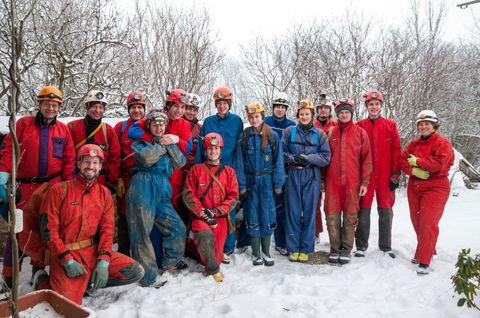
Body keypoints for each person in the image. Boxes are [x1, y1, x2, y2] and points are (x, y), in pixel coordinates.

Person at [39, 144, 144, 304]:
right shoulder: (59, 190)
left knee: (134, 271)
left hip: (93, 253)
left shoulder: (104, 194)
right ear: (79, 163)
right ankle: (41, 279)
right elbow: (48, 230)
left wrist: (103, 261)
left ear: (101, 166)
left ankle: (87, 282)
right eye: (87, 161)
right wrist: (66, 259)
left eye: (95, 163)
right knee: (67, 305)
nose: (91, 166)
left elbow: (107, 231)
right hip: (66, 255)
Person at [0, 86, 75, 287]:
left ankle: (38, 269)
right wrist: (3, 174)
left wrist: (67, 187)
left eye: (55, 105)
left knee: (45, 230)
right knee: (18, 231)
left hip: (52, 188)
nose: (51, 108)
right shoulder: (23, 125)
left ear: (59, 108)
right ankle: (9, 276)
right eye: (47, 104)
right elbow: (8, 151)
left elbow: (69, 160)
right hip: (25, 189)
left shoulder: (63, 130)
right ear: (39, 104)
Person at [126, 110, 186, 286]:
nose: (159, 127)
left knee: (177, 227)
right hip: (142, 185)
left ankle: (170, 264)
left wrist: (171, 144)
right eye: (155, 124)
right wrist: (161, 145)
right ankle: (148, 277)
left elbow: (180, 162)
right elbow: (145, 158)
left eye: (162, 124)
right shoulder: (141, 143)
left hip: (162, 186)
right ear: (149, 126)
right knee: (141, 231)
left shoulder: (168, 144)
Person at [400, 110, 453, 275]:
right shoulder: (414, 143)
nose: (423, 127)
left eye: (427, 124)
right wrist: (415, 171)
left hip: (436, 187)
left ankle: (424, 259)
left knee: (428, 222)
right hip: (415, 186)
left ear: (434, 126)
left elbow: (440, 164)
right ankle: (428, 250)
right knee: (417, 221)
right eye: (421, 124)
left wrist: (418, 161)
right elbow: (403, 160)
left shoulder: (442, 143)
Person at [195, 86, 244, 264]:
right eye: (219, 103)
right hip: (208, 171)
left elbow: (239, 150)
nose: (222, 106)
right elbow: (201, 149)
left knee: (227, 210)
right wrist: (197, 171)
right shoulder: (208, 122)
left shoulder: (237, 121)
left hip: (228, 171)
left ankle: (227, 248)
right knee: (209, 208)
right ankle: (212, 246)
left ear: (229, 104)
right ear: (216, 104)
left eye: (225, 103)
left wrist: (240, 176)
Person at [183, 133, 239, 281]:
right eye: (209, 149)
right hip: (201, 218)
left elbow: (233, 196)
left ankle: (196, 251)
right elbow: (189, 195)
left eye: (216, 148)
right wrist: (202, 213)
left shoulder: (229, 172)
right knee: (204, 236)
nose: (213, 152)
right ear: (205, 151)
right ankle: (214, 270)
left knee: (216, 256)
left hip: (220, 219)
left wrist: (217, 211)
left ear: (220, 150)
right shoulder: (196, 170)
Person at [236, 102, 285, 266]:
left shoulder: (272, 135)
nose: (254, 120)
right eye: (251, 117)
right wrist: (242, 187)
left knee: (267, 215)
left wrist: (278, 183)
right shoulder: (244, 136)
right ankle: (256, 253)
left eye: (257, 116)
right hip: (250, 182)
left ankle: (266, 251)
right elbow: (239, 164)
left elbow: (279, 161)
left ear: (262, 116)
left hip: (267, 182)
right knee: (252, 215)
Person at [282, 100, 331, 263]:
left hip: (311, 175)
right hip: (293, 175)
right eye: (301, 114)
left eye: (307, 114)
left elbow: (326, 157)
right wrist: (292, 158)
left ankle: (306, 248)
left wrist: (308, 158)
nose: (304, 117)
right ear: (298, 115)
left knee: (309, 212)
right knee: (293, 212)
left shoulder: (320, 134)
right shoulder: (289, 132)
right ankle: (293, 247)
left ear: (312, 115)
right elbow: (281, 152)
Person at [324, 98, 371, 264]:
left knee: (351, 217)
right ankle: (334, 248)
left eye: (346, 112)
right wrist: (323, 180)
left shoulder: (360, 133)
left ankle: (346, 249)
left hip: (352, 182)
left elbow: (366, 159)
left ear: (351, 114)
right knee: (332, 216)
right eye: (341, 112)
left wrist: (365, 182)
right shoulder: (330, 132)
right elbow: (324, 157)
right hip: (332, 182)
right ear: (337, 114)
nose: (344, 115)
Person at [355, 90, 401, 258]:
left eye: (377, 104)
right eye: (371, 104)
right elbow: (355, 152)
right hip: (366, 176)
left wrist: (395, 174)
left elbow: (396, 150)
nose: (374, 107)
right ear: (366, 106)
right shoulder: (359, 125)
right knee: (363, 209)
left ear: (381, 106)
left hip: (385, 175)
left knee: (386, 210)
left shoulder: (390, 125)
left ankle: (385, 246)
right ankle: (361, 245)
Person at [114, 91, 146, 256]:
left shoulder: (149, 125)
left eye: (140, 107)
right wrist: (118, 178)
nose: (137, 111)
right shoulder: (121, 127)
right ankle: (123, 252)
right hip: (126, 179)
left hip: (144, 180)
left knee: (143, 215)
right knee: (124, 215)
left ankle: (141, 251)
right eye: (133, 108)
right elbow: (115, 154)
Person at [67, 90, 121, 190]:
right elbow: (67, 155)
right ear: (87, 108)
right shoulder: (72, 127)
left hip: (100, 181)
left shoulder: (108, 131)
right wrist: (68, 178)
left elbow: (115, 159)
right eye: (94, 106)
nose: (97, 110)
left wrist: (112, 183)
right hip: (76, 179)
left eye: (101, 107)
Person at [264, 92, 296, 256]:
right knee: (265, 205)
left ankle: (281, 241)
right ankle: (257, 239)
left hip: (283, 169)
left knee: (281, 206)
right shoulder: (265, 122)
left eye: (283, 107)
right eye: (277, 107)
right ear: (273, 107)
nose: (280, 110)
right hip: (265, 168)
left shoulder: (291, 125)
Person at [313, 94, 336, 240]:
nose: (323, 111)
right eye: (320, 108)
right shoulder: (311, 126)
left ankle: (334, 235)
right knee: (314, 204)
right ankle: (315, 231)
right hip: (315, 169)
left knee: (332, 205)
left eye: (326, 108)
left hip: (332, 170)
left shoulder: (335, 126)